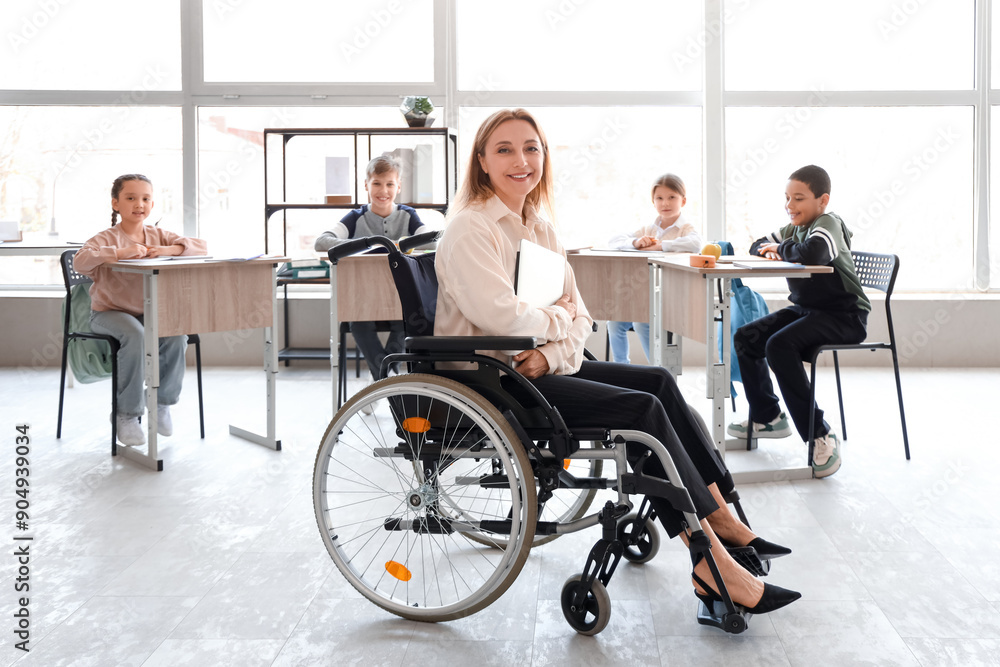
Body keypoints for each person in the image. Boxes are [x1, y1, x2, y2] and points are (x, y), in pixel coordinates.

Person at [434, 108, 800, 618]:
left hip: (539, 366)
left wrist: (551, 346)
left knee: (658, 382)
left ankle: (721, 514)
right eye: (505, 149)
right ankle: (709, 559)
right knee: (640, 410)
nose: (522, 160)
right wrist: (553, 329)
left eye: (531, 148)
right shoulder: (471, 229)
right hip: (495, 380)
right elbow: (503, 317)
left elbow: (580, 317)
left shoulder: (539, 227)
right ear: (481, 160)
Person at [730, 165, 870, 478]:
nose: (790, 205)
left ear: (822, 200)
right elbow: (758, 244)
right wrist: (778, 248)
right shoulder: (796, 227)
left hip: (844, 316)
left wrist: (779, 249)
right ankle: (768, 416)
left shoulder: (827, 223)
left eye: (798, 198)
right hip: (808, 310)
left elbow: (816, 253)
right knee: (747, 338)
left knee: (779, 345)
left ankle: (820, 435)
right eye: (787, 198)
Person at [74, 174, 208, 447]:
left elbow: (201, 248)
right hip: (109, 313)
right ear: (116, 203)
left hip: (147, 311)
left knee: (176, 332)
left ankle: (161, 404)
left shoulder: (158, 234)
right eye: (131, 198)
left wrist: (166, 249)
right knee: (135, 335)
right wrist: (119, 253)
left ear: (152, 203)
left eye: (145, 199)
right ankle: (127, 414)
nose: (139, 204)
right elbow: (81, 261)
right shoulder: (105, 238)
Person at [315, 155, 435, 392]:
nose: (384, 190)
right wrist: (363, 243)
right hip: (363, 299)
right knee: (358, 324)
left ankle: (379, 376)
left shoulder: (408, 216)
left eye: (390, 184)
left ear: (398, 186)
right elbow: (321, 242)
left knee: (407, 321)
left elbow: (433, 241)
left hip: (400, 296)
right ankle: (386, 374)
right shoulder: (355, 217)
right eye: (377, 183)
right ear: (367, 185)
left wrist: (399, 244)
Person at [606, 174, 701, 364]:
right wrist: (635, 242)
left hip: (671, 295)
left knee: (642, 323)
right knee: (614, 322)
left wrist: (660, 246)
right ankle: (621, 368)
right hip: (645, 295)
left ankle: (657, 369)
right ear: (653, 201)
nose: (665, 203)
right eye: (659, 198)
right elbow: (614, 241)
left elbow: (696, 244)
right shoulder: (649, 229)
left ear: (683, 200)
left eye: (671, 197)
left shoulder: (685, 228)